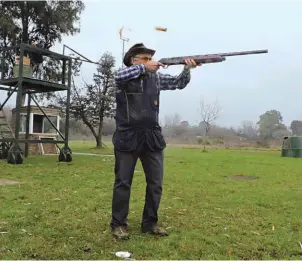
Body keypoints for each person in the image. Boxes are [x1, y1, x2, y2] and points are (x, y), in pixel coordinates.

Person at [111, 43, 201, 239]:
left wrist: (187, 68)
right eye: (144, 58)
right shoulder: (123, 76)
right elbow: (117, 76)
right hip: (127, 136)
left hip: (151, 136)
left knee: (155, 183)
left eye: (150, 58)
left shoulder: (156, 78)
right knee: (123, 183)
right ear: (133, 61)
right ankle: (118, 225)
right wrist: (143, 68)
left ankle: (150, 223)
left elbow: (178, 83)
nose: (150, 61)